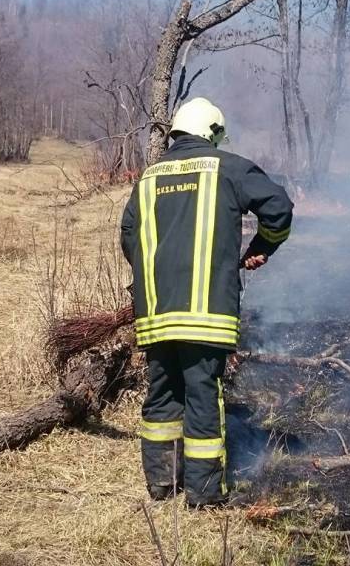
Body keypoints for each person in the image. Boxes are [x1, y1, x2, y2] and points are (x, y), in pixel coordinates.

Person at [120, 97, 294, 507]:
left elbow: (129, 237)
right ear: (212, 133)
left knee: (162, 393)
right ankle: (204, 494)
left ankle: (162, 486)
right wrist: (261, 246)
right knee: (202, 396)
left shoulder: (147, 178)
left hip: (156, 314)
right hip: (205, 316)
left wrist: (154, 279)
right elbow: (279, 209)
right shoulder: (228, 168)